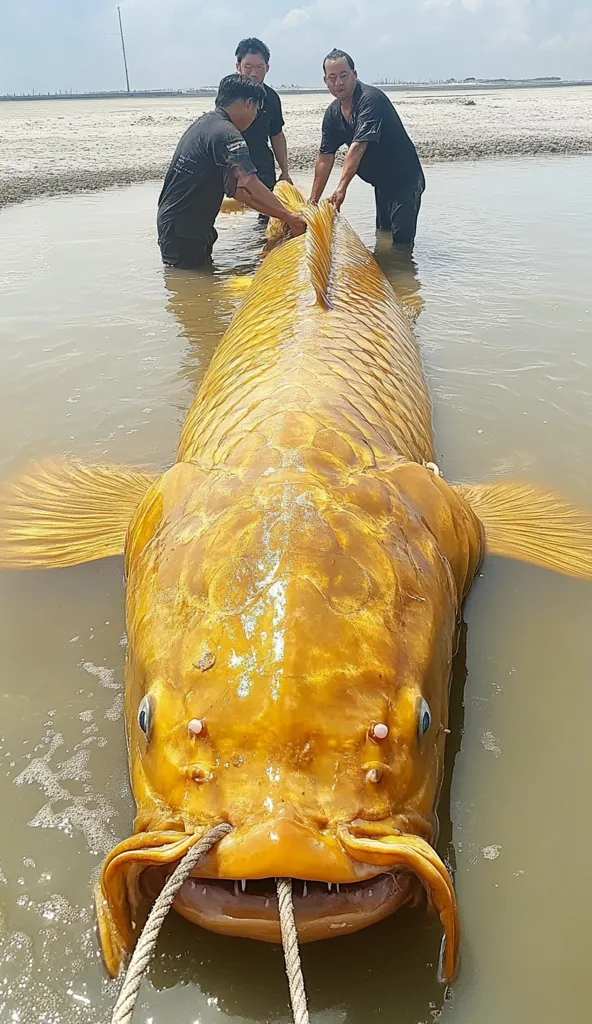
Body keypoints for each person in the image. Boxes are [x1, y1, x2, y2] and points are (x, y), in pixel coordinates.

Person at [157, 74, 305, 269]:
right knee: (193, 280)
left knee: (195, 288)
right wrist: (288, 216)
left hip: (180, 227)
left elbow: (241, 192)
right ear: (249, 103)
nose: (254, 117)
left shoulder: (207, 124)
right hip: (184, 233)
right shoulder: (227, 134)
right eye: (257, 110)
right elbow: (250, 181)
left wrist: (282, 215)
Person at [310, 50, 425, 248]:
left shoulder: (370, 100)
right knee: (382, 232)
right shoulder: (332, 114)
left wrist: (341, 188)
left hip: (405, 181)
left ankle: (401, 275)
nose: (338, 83)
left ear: (354, 74)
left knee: (400, 245)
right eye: (332, 78)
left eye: (344, 76)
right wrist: (312, 202)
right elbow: (325, 157)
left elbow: (358, 147)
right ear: (325, 81)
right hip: (381, 184)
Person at [235, 37, 292, 191]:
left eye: (259, 67)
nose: (254, 73)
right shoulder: (229, 95)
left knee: (267, 212)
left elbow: (277, 135)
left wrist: (285, 171)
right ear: (238, 66)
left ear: (267, 68)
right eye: (248, 66)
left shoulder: (271, 98)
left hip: (262, 166)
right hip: (232, 164)